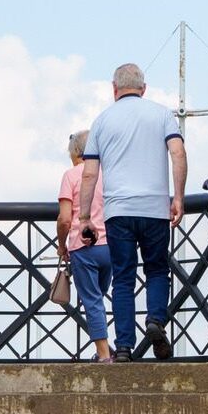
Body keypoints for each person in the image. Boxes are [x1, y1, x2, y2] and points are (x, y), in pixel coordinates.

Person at [77, 62, 187, 361]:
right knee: (157, 269)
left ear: (114, 90)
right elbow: (177, 153)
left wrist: (85, 218)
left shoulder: (101, 121)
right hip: (154, 208)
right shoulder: (162, 114)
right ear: (144, 88)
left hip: (118, 211)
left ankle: (124, 347)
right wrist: (177, 197)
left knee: (123, 277)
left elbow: (89, 174)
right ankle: (155, 320)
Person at [57, 129, 112, 362]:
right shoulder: (108, 173)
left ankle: (103, 354)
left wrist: (62, 246)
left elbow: (65, 219)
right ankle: (123, 348)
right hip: (111, 245)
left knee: (92, 300)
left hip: (83, 246)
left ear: (77, 152)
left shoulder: (71, 175)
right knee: (108, 295)